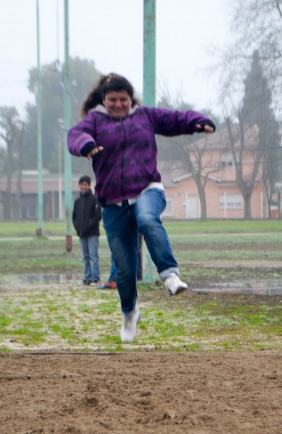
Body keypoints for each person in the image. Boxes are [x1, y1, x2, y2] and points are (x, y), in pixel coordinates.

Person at [68, 73, 215, 342]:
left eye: (123, 100)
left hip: (148, 189)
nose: (118, 105)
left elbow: (175, 119)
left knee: (148, 219)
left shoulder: (144, 115)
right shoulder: (95, 121)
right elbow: (75, 135)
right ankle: (129, 313)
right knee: (124, 268)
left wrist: (198, 121)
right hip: (113, 202)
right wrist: (85, 145)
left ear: (130, 99)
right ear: (104, 99)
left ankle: (170, 276)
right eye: (112, 100)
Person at [72, 174, 102, 285]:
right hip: (81, 234)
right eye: (81, 185)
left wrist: (89, 225)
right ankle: (87, 277)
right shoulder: (77, 202)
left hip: (92, 233)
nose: (83, 187)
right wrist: (77, 228)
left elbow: (98, 216)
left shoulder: (94, 200)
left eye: (85, 184)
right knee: (85, 256)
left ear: (89, 185)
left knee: (93, 256)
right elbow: (74, 217)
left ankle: (95, 277)